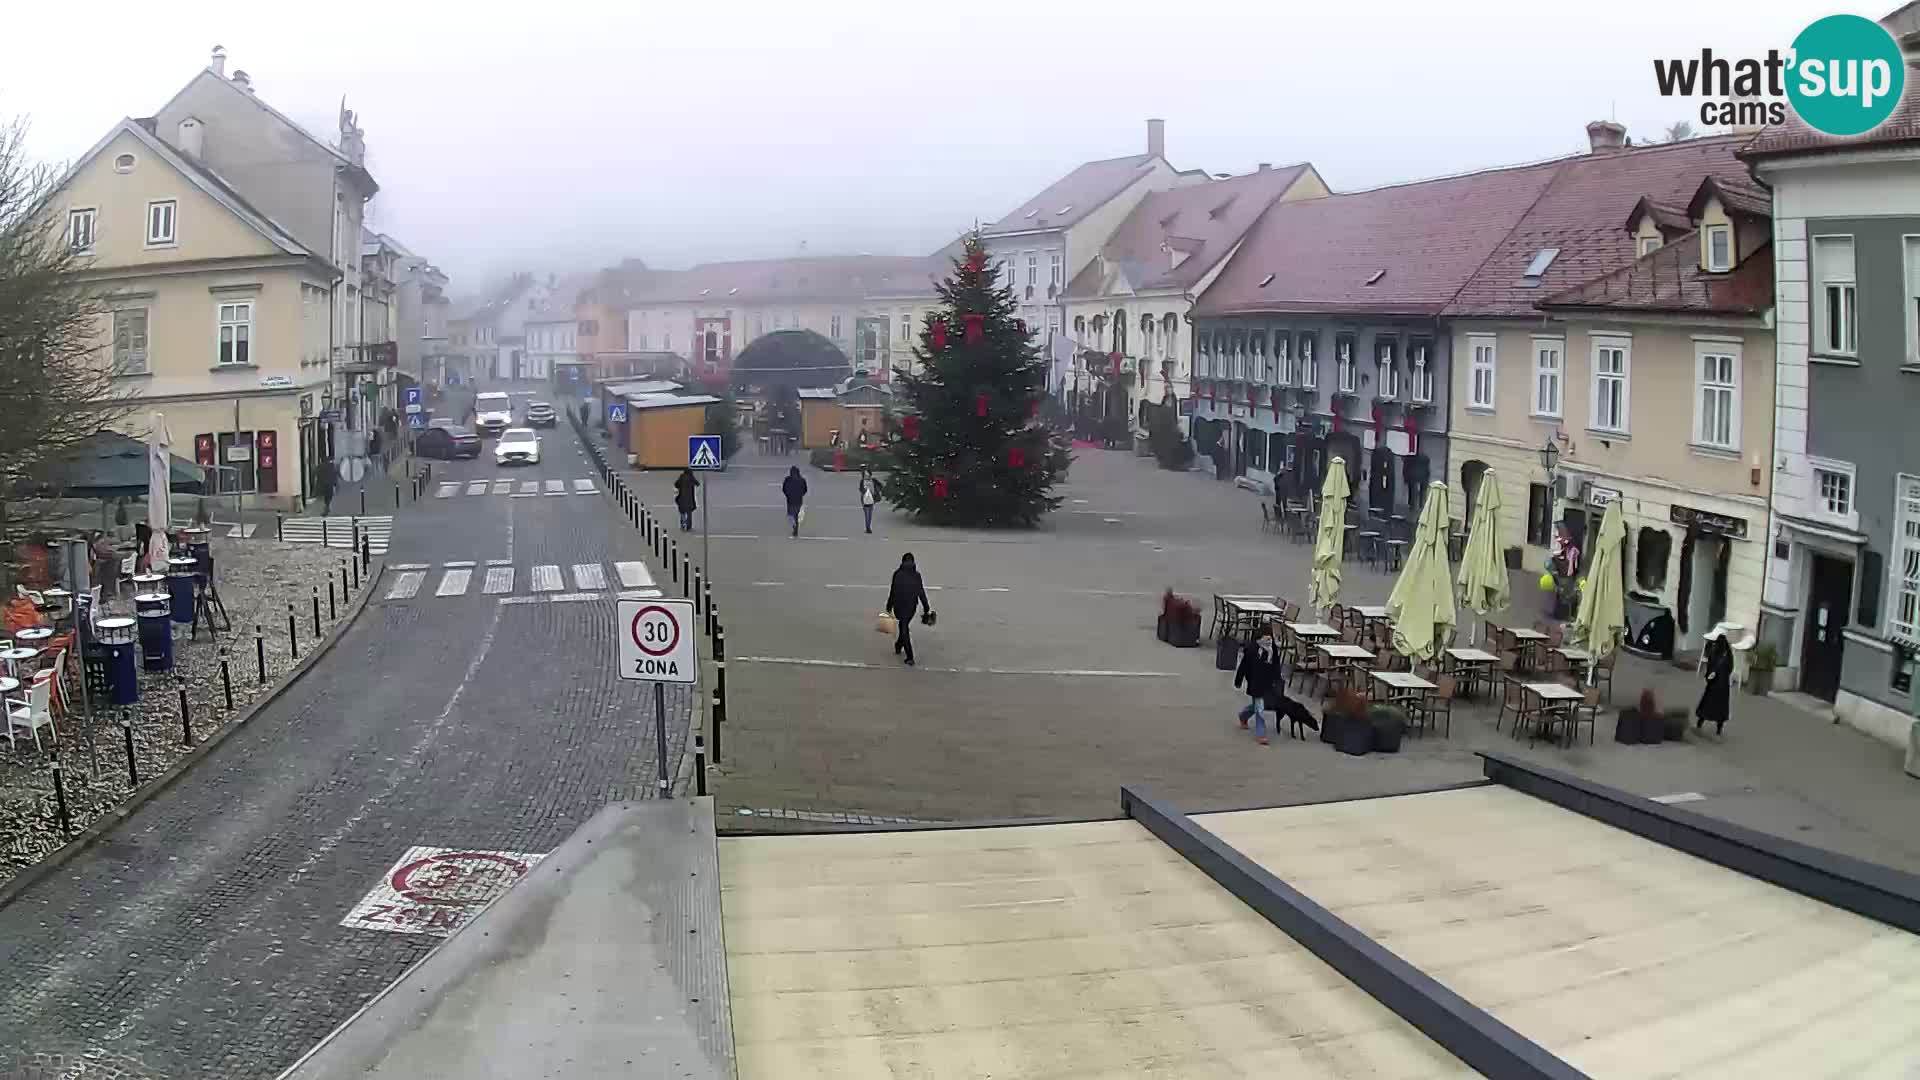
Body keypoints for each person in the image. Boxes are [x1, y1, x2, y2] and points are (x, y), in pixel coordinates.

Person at [1233, 624, 1281, 745]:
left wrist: (1277, 679)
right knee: (1260, 708)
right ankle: (1261, 734)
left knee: (1257, 705)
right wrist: (1238, 680)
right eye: (1266, 638)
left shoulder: (1273, 649)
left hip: (1267, 682)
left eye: (1270, 638)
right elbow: (1244, 666)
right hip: (1255, 682)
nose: (1268, 641)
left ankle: (1243, 715)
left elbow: (1276, 665)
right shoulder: (1252, 649)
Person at [884, 553, 933, 666]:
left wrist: (889, 606)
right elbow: (921, 592)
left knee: (903, 626)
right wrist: (926, 608)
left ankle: (909, 655)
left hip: (899, 606)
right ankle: (899, 646)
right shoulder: (917, 575)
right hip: (911, 608)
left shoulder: (897, 574)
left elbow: (893, 591)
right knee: (904, 626)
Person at [1696, 626, 1734, 734]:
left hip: (1713, 684)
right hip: (1723, 687)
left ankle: (1700, 722)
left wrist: (1709, 677)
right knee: (1721, 709)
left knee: (1706, 705)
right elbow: (1731, 667)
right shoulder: (1728, 654)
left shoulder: (1714, 652)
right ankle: (1719, 728)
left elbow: (1709, 665)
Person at [781, 465, 808, 538]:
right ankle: (796, 529)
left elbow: (784, 489)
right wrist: (801, 494)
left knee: (791, 515)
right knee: (796, 515)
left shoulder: (787, 479)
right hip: (799, 500)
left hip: (790, 500)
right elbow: (805, 490)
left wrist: (787, 495)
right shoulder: (802, 480)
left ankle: (794, 528)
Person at [857, 467, 881, 534]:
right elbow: (860, 489)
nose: (866, 476)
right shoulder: (862, 481)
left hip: (872, 499)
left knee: (869, 514)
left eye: (867, 474)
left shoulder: (873, 480)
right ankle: (868, 528)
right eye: (865, 474)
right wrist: (864, 491)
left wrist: (876, 491)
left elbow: (880, 485)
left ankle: (868, 527)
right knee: (867, 514)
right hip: (865, 499)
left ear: (870, 474)